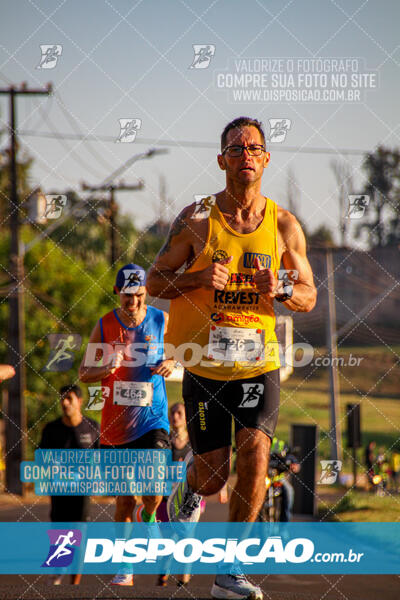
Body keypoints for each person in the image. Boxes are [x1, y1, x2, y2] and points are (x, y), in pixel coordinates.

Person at [147, 116, 316, 600]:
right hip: (204, 363)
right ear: (221, 160)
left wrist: (281, 286)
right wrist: (199, 279)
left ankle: (230, 571)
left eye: (254, 147)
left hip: (258, 364)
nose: (246, 154)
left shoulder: (284, 225)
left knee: (257, 454)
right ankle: (187, 486)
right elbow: (156, 281)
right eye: (236, 148)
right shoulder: (196, 219)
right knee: (214, 473)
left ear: (266, 159)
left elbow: (309, 295)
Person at [79, 263, 174, 586]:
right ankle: (125, 566)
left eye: (138, 295)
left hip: (153, 419)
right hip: (116, 426)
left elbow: (179, 356)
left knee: (152, 491)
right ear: (117, 293)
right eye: (126, 296)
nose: (132, 302)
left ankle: (150, 518)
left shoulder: (161, 320)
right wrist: (105, 368)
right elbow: (83, 373)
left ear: (145, 292)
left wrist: (171, 362)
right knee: (123, 501)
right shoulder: (105, 325)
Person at [40, 384, 100, 585]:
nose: (65, 403)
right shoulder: (51, 429)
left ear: (80, 401)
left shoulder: (92, 428)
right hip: (59, 490)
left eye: (70, 398)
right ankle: (58, 572)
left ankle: (74, 584)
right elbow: (42, 459)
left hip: (83, 491)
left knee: (79, 532)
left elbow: (101, 458)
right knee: (60, 531)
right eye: (62, 398)